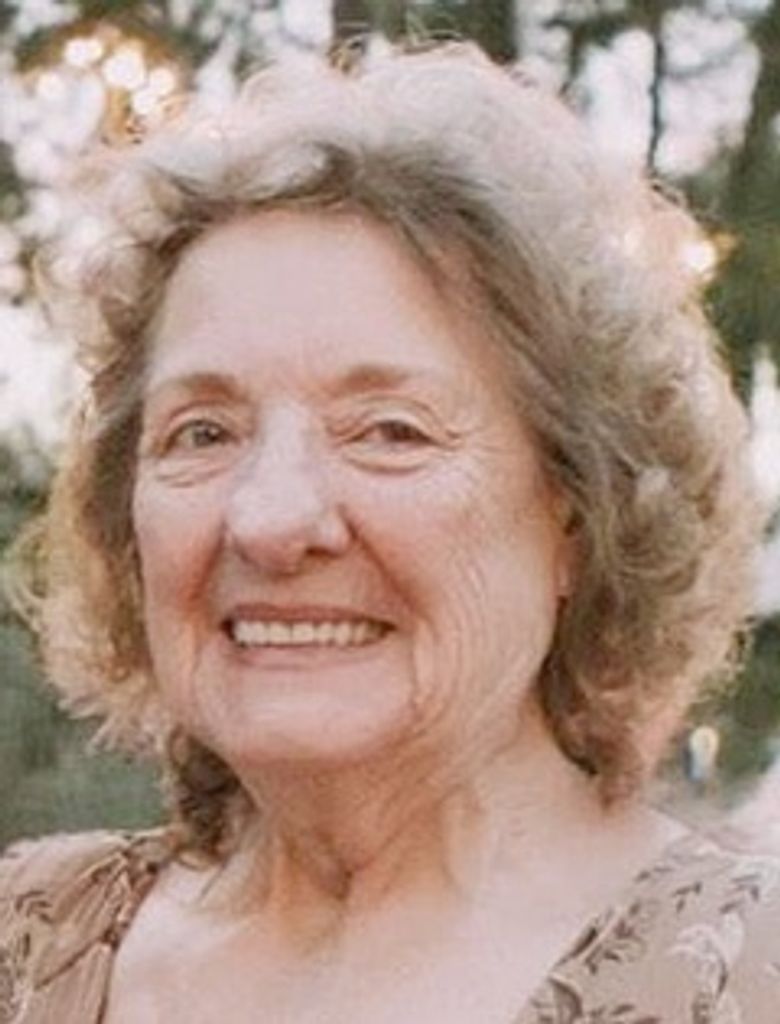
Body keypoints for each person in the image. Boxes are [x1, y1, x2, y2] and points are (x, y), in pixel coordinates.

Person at [1, 42, 777, 1024]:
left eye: (389, 431)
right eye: (203, 432)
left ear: (581, 515)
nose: (270, 518)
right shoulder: (31, 938)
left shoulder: (746, 976)